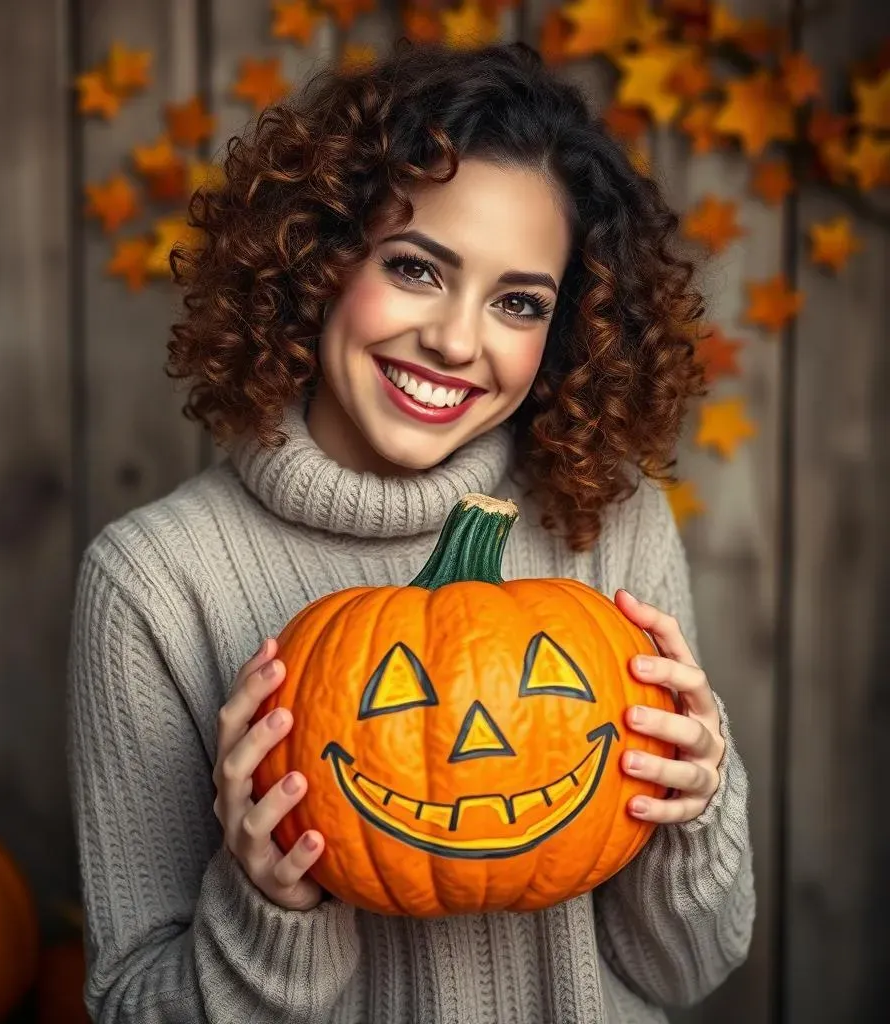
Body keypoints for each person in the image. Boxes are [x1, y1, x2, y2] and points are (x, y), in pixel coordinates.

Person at [66, 40, 755, 1024]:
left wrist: (695, 806)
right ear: (316, 260)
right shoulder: (153, 582)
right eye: (416, 268)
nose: (457, 340)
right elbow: (132, 1005)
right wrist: (271, 903)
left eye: (517, 302)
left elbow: (685, 969)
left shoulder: (608, 521)